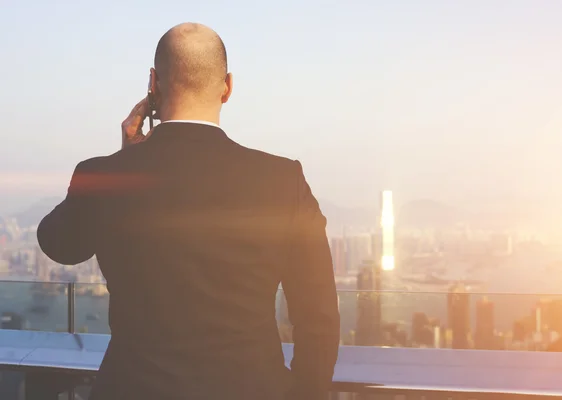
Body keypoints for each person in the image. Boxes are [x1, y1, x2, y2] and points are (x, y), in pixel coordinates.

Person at [37, 23, 340, 400]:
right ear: (227, 86)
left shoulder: (105, 174)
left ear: (153, 84)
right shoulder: (283, 181)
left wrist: (124, 160)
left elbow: (59, 244)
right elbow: (320, 318)